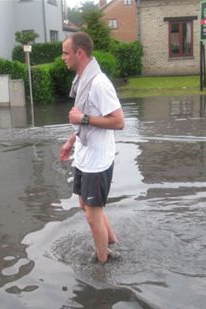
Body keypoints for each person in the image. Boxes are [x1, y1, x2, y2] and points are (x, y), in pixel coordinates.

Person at [59, 32, 125, 263]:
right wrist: (71, 140)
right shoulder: (82, 80)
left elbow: (119, 121)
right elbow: (83, 120)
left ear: (80, 53)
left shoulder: (98, 83)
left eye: (66, 53)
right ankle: (111, 241)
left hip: (98, 161)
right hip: (85, 156)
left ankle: (102, 263)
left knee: (91, 215)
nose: (62, 57)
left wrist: (83, 119)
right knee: (85, 205)